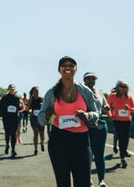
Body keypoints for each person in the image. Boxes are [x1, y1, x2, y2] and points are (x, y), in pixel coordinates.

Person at [38, 56, 99, 187]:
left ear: (76, 70)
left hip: (81, 141)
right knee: (63, 183)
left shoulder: (85, 91)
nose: (68, 68)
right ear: (59, 69)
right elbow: (41, 119)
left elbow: (96, 113)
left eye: (71, 65)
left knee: (83, 183)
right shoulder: (52, 93)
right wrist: (48, 116)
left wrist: (88, 116)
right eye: (64, 65)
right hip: (58, 140)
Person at [83, 72, 110, 187]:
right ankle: (88, 178)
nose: (90, 80)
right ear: (84, 80)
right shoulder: (81, 92)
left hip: (99, 125)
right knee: (88, 155)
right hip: (86, 126)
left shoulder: (99, 92)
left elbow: (105, 104)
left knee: (99, 154)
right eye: (88, 79)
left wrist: (106, 107)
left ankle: (101, 180)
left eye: (92, 79)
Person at [108, 80, 134, 168]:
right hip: (117, 119)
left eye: (125, 87)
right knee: (120, 136)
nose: (123, 88)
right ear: (117, 87)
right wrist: (110, 114)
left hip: (127, 120)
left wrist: (129, 108)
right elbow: (107, 107)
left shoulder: (129, 97)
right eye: (121, 86)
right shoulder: (113, 96)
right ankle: (122, 157)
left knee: (126, 137)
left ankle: (124, 151)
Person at [0, 84, 20, 158]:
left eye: (13, 88)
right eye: (11, 88)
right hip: (6, 118)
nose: (12, 89)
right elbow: (1, 107)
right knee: (7, 133)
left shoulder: (17, 98)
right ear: (8, 89)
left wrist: (19, 107)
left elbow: (18, 107)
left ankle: (13, 150)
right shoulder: (5, 97)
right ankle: (7, 145)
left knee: (13, 134)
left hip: (14, 118)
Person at [28, 86, 45, 155]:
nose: (36, 92)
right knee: (35, 133)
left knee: (42, 134)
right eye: (35, 91)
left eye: (37, 90)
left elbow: (45, 107)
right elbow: (28, 108)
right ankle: (35, 149)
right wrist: (30, 111)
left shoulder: (41, 99)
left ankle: (42, 143)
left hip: (40, 117)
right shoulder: (31, 99)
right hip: (34, 117)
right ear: (33, 92)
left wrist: (42, 105)